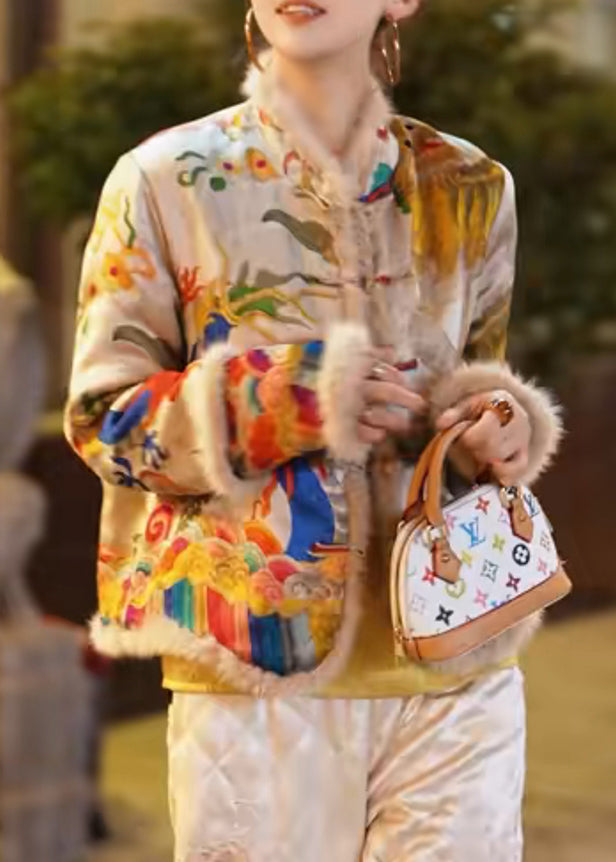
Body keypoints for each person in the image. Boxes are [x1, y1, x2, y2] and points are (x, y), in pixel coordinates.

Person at [64, 1, 563, 859]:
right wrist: (291, 395)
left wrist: (499, 423)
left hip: (459, 656)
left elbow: (473, 373)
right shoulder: (166, 179)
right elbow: (103, 419)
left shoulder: (471, 185)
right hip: (253, 661)